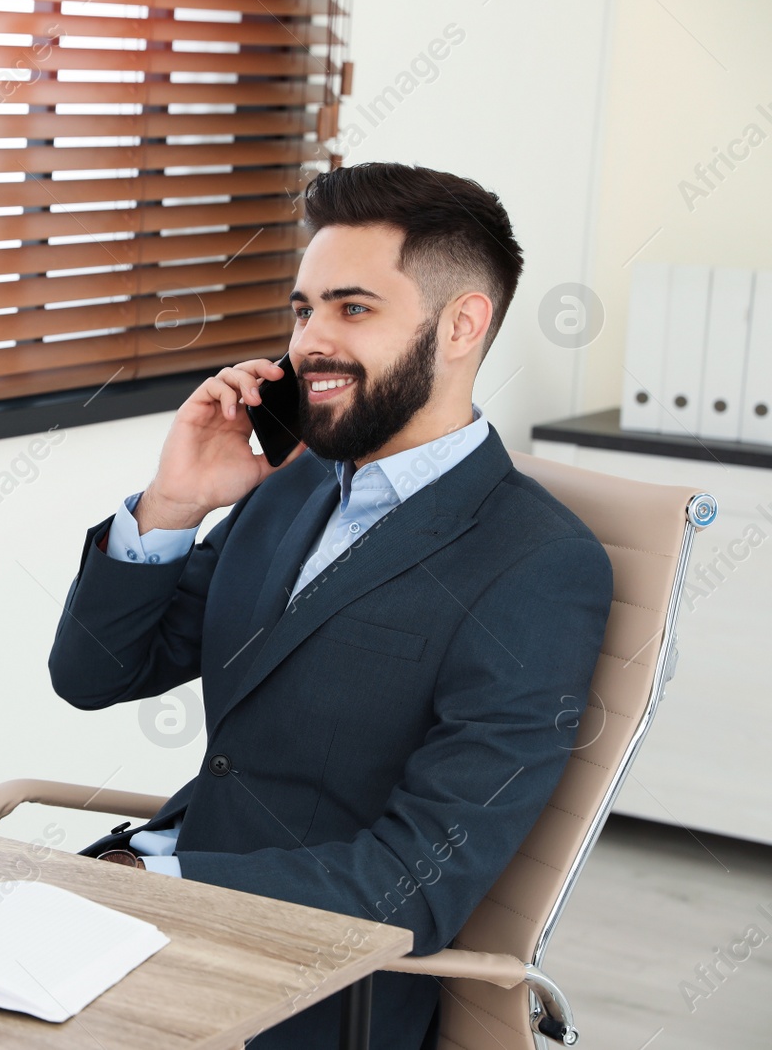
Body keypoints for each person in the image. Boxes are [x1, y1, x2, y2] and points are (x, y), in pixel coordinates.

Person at [47, 162, 613, 1050]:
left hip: (314, 993)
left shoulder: (539, 565)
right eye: (304, 309)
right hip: (152, 924)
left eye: (353, 309)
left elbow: (416, 880)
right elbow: (91, 674)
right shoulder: (289, 488)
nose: (308, 340)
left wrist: (162, 876)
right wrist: (171, 504)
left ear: (462, 324)